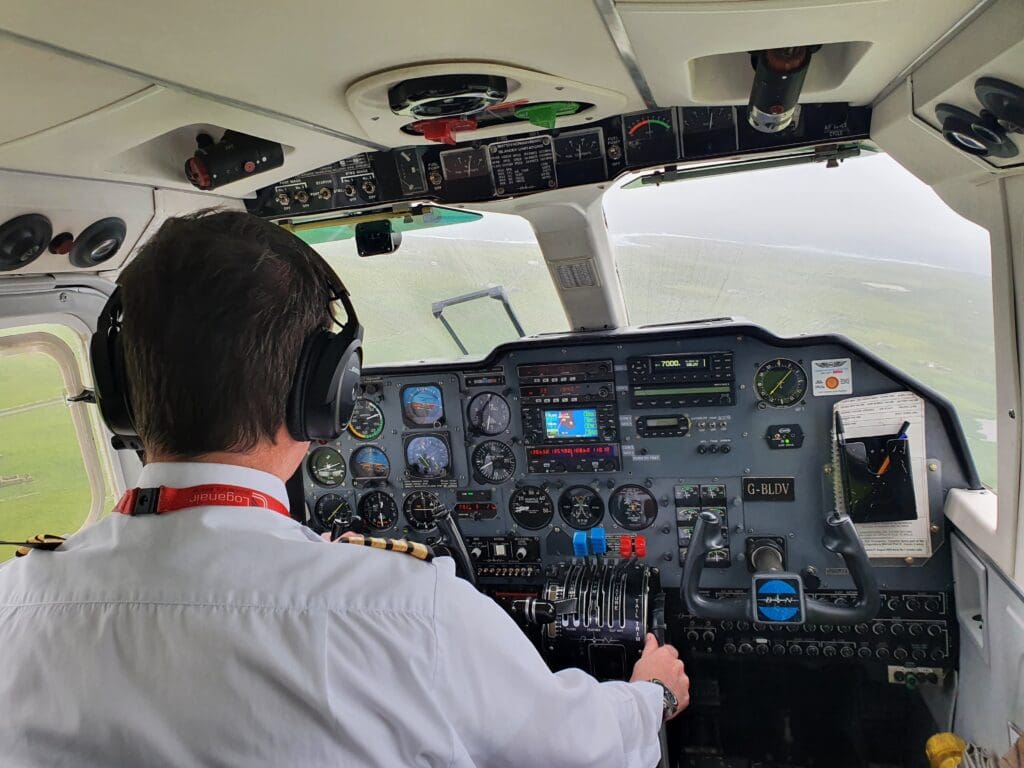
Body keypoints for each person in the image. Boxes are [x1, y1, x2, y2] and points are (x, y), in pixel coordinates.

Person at [0, 210, 689, 767]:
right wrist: (653, 695)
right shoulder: (410, 613)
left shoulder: (12, 602)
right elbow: (578, 748)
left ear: (119, 394)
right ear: (324, 397)